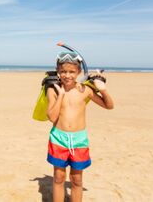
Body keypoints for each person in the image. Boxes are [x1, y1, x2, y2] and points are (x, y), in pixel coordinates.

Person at [46, 50, 114, 202]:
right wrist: (61, 95)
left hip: (79, 140)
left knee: (76, 179)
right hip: (59, 138)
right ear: (58, 71)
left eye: (71, 71)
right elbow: (51, 117)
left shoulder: (85, 90)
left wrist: (102, 89)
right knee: (58, 177)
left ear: (78, 72)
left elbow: (109, 105)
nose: (67, 75)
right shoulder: (53, 90)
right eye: (63, 71)